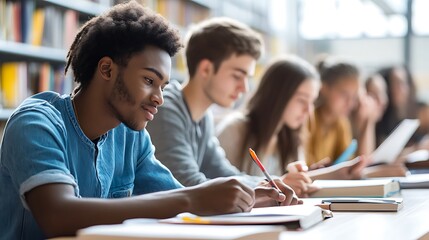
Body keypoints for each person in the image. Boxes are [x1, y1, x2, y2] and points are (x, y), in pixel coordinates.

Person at [0, 2, 298, 239]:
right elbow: (58, 216)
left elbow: (176, 196)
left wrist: (250, 197)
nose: (159, 97)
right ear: (106, 70)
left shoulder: (131, 136)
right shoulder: (37, 122)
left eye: (163, 87)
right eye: (148, 80)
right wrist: (194, 200)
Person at [146, 17, 299, 191]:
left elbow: (224, 173)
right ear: (206, 69)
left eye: (246, 78)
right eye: (237, 76)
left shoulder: (203, 117)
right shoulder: (166, 110)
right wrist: (261, 190)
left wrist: (273, 184)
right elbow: (186, 184)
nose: (244, 88)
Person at [216, 56, 367, 197]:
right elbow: (219, 187)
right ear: (278, 96)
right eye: (302, 100)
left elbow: (286, 183)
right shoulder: (235, 130)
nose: (308, 111)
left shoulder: (290, 135)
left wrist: (334, 173)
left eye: (311, 102)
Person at [305, 57, 370, 171]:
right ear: (324, 88)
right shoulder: (308, 119)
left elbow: (351, 165)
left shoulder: (341, 123)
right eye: (344, 94)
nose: (350, 103)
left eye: (354, 97)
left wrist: (367, 121)